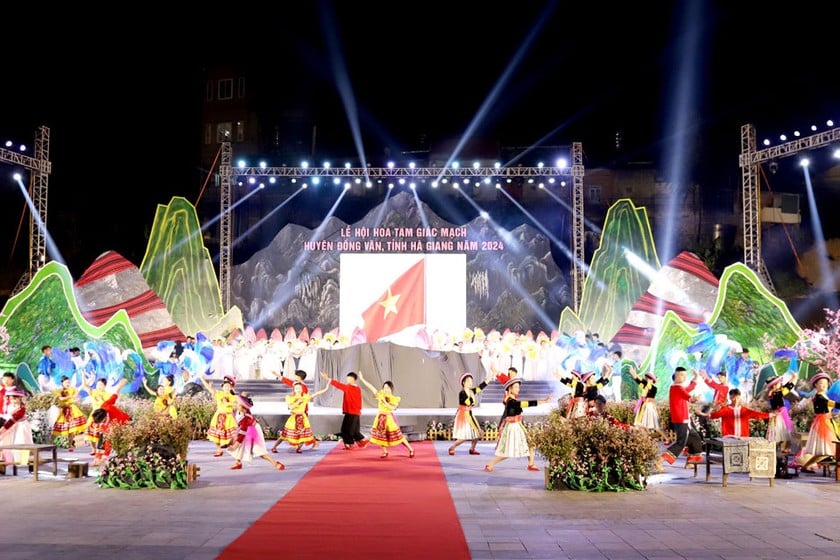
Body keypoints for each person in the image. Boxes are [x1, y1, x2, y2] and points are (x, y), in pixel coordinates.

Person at [484, 378, 552, 472]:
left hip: (518, 425)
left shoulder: (512, 399)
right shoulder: (511, 401)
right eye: (516, 387)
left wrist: (543, 401)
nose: (518, 389)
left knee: (530, 443)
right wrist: (543, 401)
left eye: (518, 387)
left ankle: (531, 464)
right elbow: (525, 404)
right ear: (510, 389)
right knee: (508, 451)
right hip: (512, 427)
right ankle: (490, 465)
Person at [357, 372, 415, 459]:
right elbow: (371, 387)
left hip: (389, 419)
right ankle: (385, 451)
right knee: (380, 437)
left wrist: (384, 401)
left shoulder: (394, 398)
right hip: (380, 418)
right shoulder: (381, 395)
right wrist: (362, 379)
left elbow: (393, 408)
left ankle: (411, 449)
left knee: (399, 437)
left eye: (387, 387)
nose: (385, 389)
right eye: (384, 387)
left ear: (391, 389)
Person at [226, 393, 285, 471]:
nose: (236, 404)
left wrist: (235, 446)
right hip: (246, 429)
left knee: (258, 449)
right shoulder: (239, 410)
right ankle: (238, 462)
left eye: (238, 404)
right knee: (239, 445)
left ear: (243, 407)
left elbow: (242, 434)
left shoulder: (246, 418)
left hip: (253, 430)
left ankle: (275, 463)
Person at [793, 372, 839, 472]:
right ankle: (806, 464)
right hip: (823, 423)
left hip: (827, 422)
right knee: (826, 451)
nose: (824, 385)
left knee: (827, 451)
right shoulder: (819, 397)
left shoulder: (824, 396)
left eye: (826, 383)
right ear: (816, 385)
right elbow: (834, 404)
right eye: (821, 383)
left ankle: (807, 465)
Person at [271, 380, 329, 453]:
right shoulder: (290, 398)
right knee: (284, 435)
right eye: (297, 388)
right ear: (294, 389)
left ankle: (299, 448)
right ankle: (274, 447)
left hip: (303, 418)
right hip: (293, 419)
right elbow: (290, 407)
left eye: (300, 388)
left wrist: (326, 388)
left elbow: (316, 394)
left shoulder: (305, 397)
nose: (299, 390)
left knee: (303, 435)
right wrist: (298, 402)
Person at [661, 367, 703, 465]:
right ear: (676, 376)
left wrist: (696, 377)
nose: (684, 377)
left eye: (685, 375)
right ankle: (660, 460)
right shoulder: (677, 388)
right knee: (681, 442)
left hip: (684, 419)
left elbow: (689, 388)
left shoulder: (677, 388)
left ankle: (690, 463)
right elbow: (689, 397)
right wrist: (694, 399)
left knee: (695, 438)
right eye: (681, 375)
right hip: (681, 419)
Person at [321, 371, 369, 450]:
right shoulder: (357, 388)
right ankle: (361, 441)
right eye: (347, 379)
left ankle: (350, 444)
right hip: (354, 412)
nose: (347, 380)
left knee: (347, 429)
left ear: (353, 379)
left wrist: (328, 379)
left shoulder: (350, 387)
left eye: (349, 379)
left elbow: (339, 385)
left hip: (352, 412)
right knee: (353, 430)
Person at [448, 372, 493, 456]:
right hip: (463, 415)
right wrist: (473, 393)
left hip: (469, 413)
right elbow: (468, 402)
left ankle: (472, 449)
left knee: (477, 433)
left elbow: (481, 387)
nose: (470, 383)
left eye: (471, 381)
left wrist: (489, 379)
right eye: (468, 381)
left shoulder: (472, 391)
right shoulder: (462, 393)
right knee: (463, 437)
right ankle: (452, 447)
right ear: (463, 383)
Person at [83, 377, 130, 455]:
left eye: (101, 384)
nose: (99, 386)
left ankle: (103, 454)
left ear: (105, 385)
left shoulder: (107, 396)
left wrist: (120, 386)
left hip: (105, 416)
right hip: (96, 415)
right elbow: (85, 386)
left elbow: (114, 397)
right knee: (90, 433)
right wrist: (84, 376)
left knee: (103, 435)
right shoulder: (94, 392)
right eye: (97, 384)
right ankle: (94, 450)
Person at [705, 388, 770, 438]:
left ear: (739, 397)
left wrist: (770, 415)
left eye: (737, 397)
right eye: (733, 397)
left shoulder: (744, 410)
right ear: (730, 397)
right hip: (729, 438)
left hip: (743, 437)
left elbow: (757, 415)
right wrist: (704, 414)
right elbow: (715, 415)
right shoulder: (726, 409)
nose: (736, 399)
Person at [200, 375, 239, 457]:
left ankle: (233, 448)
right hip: (218, 417)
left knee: (232, 435)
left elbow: (237, 405)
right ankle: (219, 450)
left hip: (228, 418)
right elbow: (209, 389)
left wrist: (228, 403)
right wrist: (202, 379)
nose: (226, 388)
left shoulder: (234, 397)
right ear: (222, 387)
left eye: (228, 386)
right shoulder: (219, 394)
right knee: (216, 435)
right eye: (225, 386)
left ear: (231, 388)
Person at [51, 375, 88, 451]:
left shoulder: (72, 390)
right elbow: (61, 398)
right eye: (66, 382)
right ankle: (51, 444)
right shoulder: (59, 391)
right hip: (63, 411)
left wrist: (83, 376)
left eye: (69, 382)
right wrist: (71, 397)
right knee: (57, 428)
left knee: (72, 429)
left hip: (72, 410)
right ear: (62, 383)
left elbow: (79, 390)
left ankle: (70, 445)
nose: (68, 383)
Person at [0, 388, 33, 466]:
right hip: (14, 427)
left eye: (14, 399)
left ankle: (24, 462)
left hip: (22, 427)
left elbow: (11, 421)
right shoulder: (11, 406)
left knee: (23, 443)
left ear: (20, 398)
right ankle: (10, 462)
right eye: (11, 399)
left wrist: (2, 429)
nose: (12, 401)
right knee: (10, 443)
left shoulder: (21, 409)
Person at [765, 374, 796, 453]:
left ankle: (781, 450)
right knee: (785, 433)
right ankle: (783, 450)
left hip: (777, 414)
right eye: (779, 383)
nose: (781, 384)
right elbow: (788, 387)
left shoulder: (772, 393)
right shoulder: (777, 393)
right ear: (775, 385)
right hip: (781, 414)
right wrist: (794, 378)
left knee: (780, 434)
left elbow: (786, 387)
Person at [628, 366, 662, 433]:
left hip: (648, 406)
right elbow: (640, 382)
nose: (647, 379)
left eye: (649, 378)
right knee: (641, 426)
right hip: (643, 406)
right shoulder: (646, 386)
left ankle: (667, 438)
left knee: (655, 426)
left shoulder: (653, 388)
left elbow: (643, 382)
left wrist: (635, 374)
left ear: (653, 380)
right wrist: (633, 375)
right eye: (647, 378)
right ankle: (646, 440)